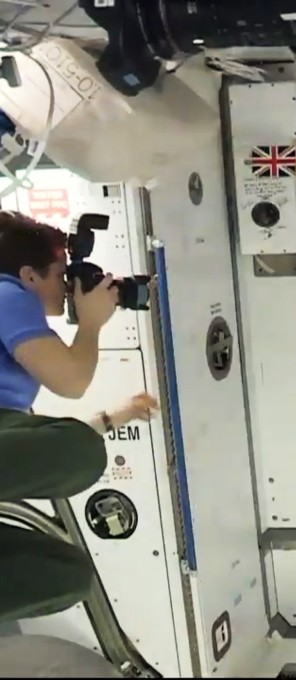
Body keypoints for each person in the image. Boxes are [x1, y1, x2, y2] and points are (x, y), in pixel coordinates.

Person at [0, 211, 158, 623]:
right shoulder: (8, 294)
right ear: (29, 277)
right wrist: (90, 326)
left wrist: (117, 416)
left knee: (66, 576)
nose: (66, 288)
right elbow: (71, 382)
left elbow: (28, 445)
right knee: (81, 454)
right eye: (59, 276)